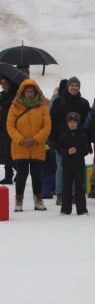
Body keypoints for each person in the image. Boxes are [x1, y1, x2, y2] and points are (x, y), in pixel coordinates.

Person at [6, 79, 51, 212]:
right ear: (22, 92)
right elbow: (10, 126)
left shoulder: (43, 107)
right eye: (27, 91)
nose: (29, 94)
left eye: (32, 91)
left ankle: (38, 200)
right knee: (21, 175)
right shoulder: (14, 106)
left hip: (37, 147)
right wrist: (20, 139)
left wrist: (36, 139)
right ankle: (18, 201)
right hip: (20, 147)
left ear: (36, 92)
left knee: (37, 175)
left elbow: (47, 126)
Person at [49, 76, 90, 206]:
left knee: (77, 169)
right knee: (61, 168)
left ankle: (75, 194)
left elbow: (87, 123)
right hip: (62, 141)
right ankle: (61, 194)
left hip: (78, 141)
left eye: (76, 86)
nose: (74, 88)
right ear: (68, 87)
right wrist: (52, 139)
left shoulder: (83, 103)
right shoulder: (59, 101)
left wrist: (86, 141)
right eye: (72, 85)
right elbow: (52, 122)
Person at [56, 112, 91, 215]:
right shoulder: (63, 135)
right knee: (66, 187)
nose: (72, 124)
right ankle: (65, 209)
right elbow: (59, 148)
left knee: (79, 187)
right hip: (67, 165)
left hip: (79, 165)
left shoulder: (82, 135)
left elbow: (87, 149)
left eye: (74, 122)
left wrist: (77, 150)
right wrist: (67, 151)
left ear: (78, 123)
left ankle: (82, 209)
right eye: (70, 122)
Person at [0, 76, 19, 184]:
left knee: (10, 152)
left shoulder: (14, 96)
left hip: (12, 127)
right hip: (3, 127)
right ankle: (9, 175)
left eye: (6, 83)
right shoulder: (2, 95)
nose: (3, 85)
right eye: (2, 83)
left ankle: (18, 172)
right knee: (6, 152)